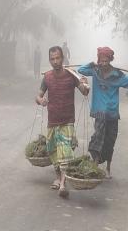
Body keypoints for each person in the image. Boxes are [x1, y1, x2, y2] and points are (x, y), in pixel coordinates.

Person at [78, 47, 128, 179]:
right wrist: (91, 64)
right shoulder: (95, 71)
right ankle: (95, 165)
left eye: (106, 61)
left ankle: (108, 168)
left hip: (112, 113)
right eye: (101, 61)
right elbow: (81, 70)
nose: (103, 64)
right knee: (98, 138)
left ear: (110, 60)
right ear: (98, 60)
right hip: (99, 112)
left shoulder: (118, 75)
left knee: (110, 140)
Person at [35, 46, 89, 197]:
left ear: (63, 58)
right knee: (53, 150)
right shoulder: (47, 77)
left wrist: (85, 83)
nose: (56, 61)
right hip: (53, 120)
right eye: (52, 59)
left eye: (58, 58)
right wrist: (41, 100)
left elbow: (84, 91)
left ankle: (63, 185)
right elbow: (38, 96)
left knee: (65, 152)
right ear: (49, 60)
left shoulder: (72, 75)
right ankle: (58, 177)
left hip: (67, 120)